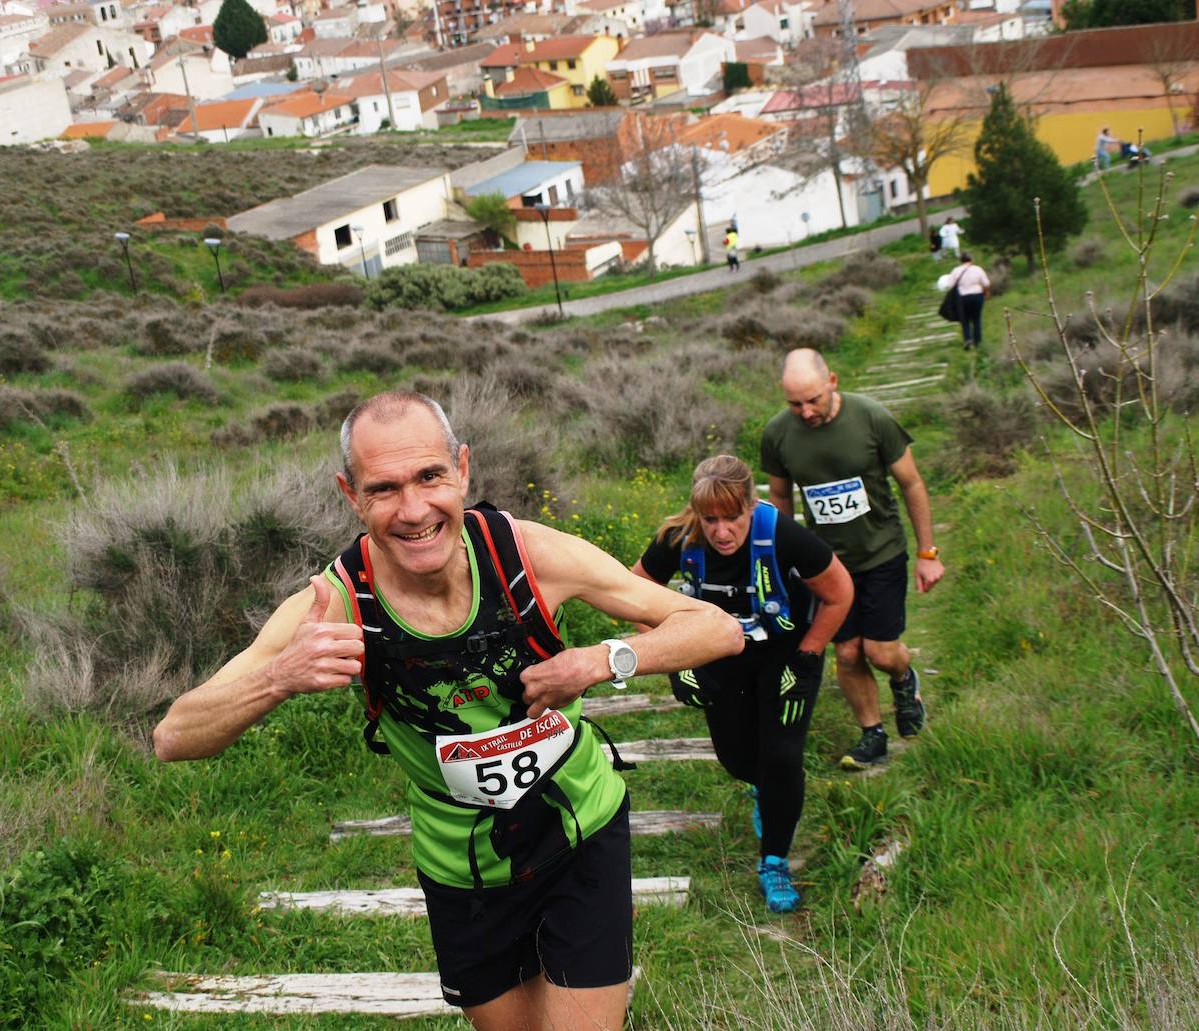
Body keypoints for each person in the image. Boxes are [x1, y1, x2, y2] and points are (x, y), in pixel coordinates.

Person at [152, 390, 744, 1031]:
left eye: (430, 476)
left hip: (580, 832)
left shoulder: (527, 556)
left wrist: (600, 660)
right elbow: (173, 735)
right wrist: (277, 678)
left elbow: (717, 630)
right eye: (383, 489)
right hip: (464, 872)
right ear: (351, 496)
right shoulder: (338, 601)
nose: (414, 510)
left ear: (462, 469)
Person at [631, 456, 852, 913]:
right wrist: (671, 656)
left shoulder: (784, 535)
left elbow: (839, 593)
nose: (722, 531)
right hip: (720, 657)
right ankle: (761, 788)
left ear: (752, 506)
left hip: (785, 656)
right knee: (737, 759)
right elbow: (634, 588)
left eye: (733, 517)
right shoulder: (679, 537)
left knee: (782, 757)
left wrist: (809, 657)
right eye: (710, 520)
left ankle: (774, 861)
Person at [760, 350, 946, 771]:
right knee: (846, 654)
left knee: (880, 652)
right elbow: (781, 496)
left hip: (881, 552)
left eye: (814, 399)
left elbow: (912, 484)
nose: (806, 411)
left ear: (833, 382)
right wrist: (785, 561)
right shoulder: (776, 434)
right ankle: (873, 735)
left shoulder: (871, 417)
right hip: (827, 565)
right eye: (795, 404)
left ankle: (903, 678)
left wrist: (927, 553)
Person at [948, 251, 990, 350]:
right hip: (977, 296)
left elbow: (950, 285)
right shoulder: (977, 269)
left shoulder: (956, 271)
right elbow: (986, 283)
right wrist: (986, 292)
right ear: (971, 259)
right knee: (976, 319)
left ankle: (967, 339)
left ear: (961, 260)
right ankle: (978, 341)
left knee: (965, 319)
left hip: (962, 297)